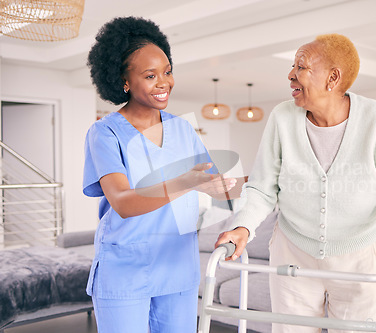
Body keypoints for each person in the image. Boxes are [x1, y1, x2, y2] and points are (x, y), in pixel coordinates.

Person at [216, 33, 376, 332]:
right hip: (292, 253)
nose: (291, 74)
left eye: (301, 67)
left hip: (360, 258)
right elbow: (262, 188)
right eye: (293, 66)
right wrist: (243, 226)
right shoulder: (282, 118)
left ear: (332, 78)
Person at [83, 16, 236, 333]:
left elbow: (216, 185)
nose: (164, 82)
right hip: (125, 268)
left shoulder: (182, 128)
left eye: (167, 71)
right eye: (150, 75)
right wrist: (186, 182)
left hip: (178, 265)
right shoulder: (106, 133)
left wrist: (230, 186)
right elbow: (123, 202)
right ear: (124, 81)